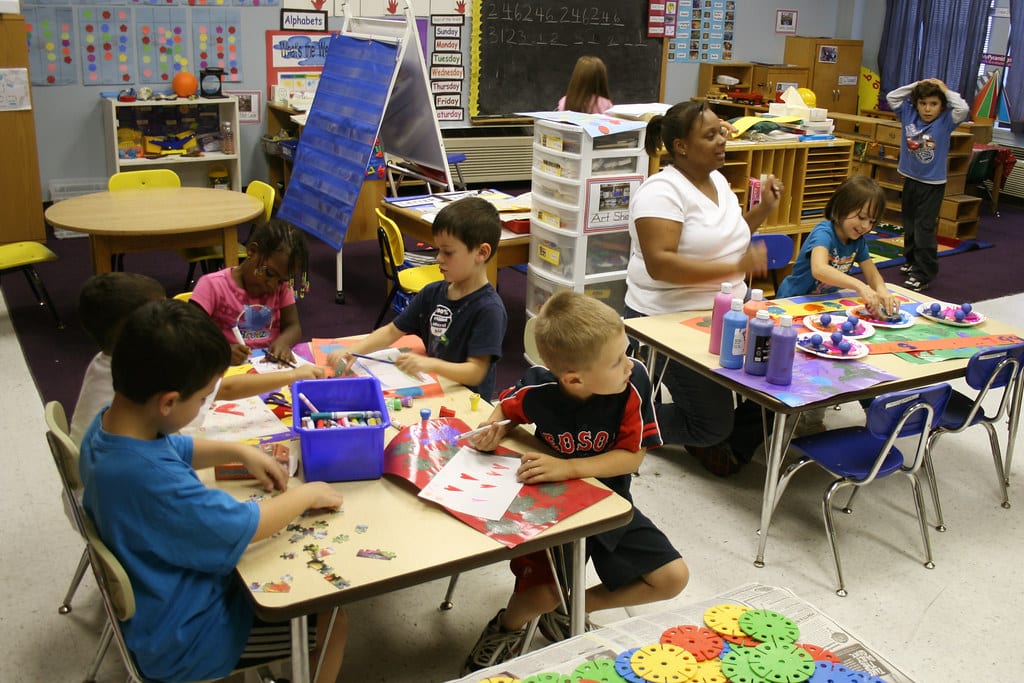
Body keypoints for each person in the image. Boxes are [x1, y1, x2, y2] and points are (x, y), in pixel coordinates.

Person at [78, 299, 347, 683]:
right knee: (333, 620)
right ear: (169, 401)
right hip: (191, 640)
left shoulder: (110, 425)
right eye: (204, 398)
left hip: (159, 600)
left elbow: (176, 448)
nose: (206, 404)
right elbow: (244, 525)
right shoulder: (152, 481)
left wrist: (238, 450)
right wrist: (306, 495)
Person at [461, 291, 688, 673]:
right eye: (617, 361)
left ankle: (571, 609)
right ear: (574, 378)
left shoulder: (634, 384)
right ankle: (507, 627)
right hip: (550, 509)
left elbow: (632, 457)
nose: (629, 365)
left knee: (672, 578)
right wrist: (493, 429)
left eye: (626, 350)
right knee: (542, 594)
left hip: (607, 503)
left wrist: (568, 468)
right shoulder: (539, 387)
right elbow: (506, 408)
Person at [625, 100, 780, 476]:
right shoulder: (660, 192)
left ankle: (725, 442)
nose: (721, 141)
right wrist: (734, 267)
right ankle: (625, 425)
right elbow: (661, 265)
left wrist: (762, 211)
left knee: (782, 380)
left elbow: (726, 237)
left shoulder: (719, 182)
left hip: (728, 311)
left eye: (721, 132)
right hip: (669, 318)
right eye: (709, 136)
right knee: (712, 425)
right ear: (680, 146)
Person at [70, 272, 323, 446]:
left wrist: (294, 374)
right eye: (162, 312)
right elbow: (223, 388)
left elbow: (220, 389)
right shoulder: (151, 371)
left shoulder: (109, 363)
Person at [328, 196, 507, 399]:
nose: (438, 258)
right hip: (437, 388)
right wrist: (353, 350)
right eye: (438, 250)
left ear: (481, 253)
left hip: (467, 401)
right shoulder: (432, 293)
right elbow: (392, 331)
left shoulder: (489, 309)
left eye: (447, 252)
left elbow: (476, 372)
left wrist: (430, 364)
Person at [886, 77, 969, 292]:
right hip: (911, 179)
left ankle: (923, 273)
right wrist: (916, 86)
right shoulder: (909, 114)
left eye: (933, 104)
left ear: (942, 106)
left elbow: (963, 108)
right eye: (923, 103)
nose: (927, 109)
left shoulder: (945, 121)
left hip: (932, 184)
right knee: (910, 224)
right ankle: (912, 261)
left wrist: (943, 88)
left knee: (924, 228)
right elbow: (892, 96)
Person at [192, 217, 311, 365]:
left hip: (267, 368)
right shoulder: (212, 285)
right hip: (226, 369)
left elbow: (293, 326)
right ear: (252, 251)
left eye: (281, 280)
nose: (273, 286)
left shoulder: (282, 287)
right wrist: (223, 351)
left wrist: (283, 342)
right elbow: (189, 336)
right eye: (269, 274)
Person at [776, 175, 899, 316]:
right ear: (842, 208)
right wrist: (860, 286)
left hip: (822, 304)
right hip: (792, 302)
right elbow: (819, 269)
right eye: (862, 217)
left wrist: (882, 290)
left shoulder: (858, 241)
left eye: (872, 221)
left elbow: (872, 274)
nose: (865, 226)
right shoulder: (824, 232)